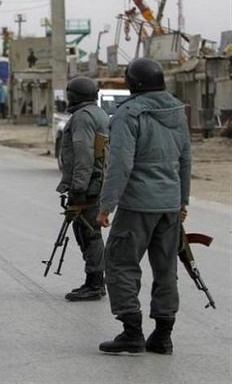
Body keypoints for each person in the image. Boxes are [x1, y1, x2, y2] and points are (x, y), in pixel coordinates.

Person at [96, 58, 191, 354]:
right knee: (166, 268)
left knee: (120, 262)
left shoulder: (129, 114)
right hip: (170, 205)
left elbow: (120, 164)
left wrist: (106, 206)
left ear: (133, 82)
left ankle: (132, 331)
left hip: (138, 205)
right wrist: (183, 200)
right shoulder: (177, 111)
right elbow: (186, 159)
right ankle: (163, 336)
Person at [55, 76, 109, 302]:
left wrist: (77, 188)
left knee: (88, 233)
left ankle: (94, 284)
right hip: (97, 182)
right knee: (88, 232)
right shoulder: (98, 113)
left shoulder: (82, 118)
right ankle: (95, 281)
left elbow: (83, 155)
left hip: (88, 186)